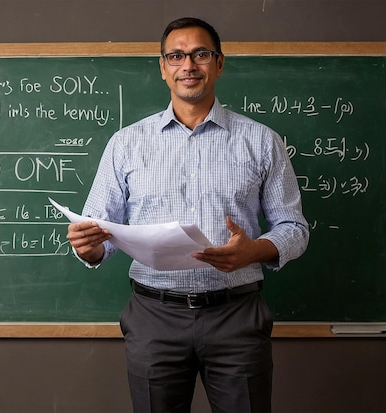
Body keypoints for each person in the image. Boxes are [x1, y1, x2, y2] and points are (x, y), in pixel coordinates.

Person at [67, 17, 309, 413]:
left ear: (219, 63)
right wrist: (88, 247)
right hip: (153, 317)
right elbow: (98, 232)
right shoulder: (126, 143)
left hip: (236, 316)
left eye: (201, 54)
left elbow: (294, 228)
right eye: (176, 55)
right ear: (162, 67)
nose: (188, 65)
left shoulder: (261, 140)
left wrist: (255, 251)